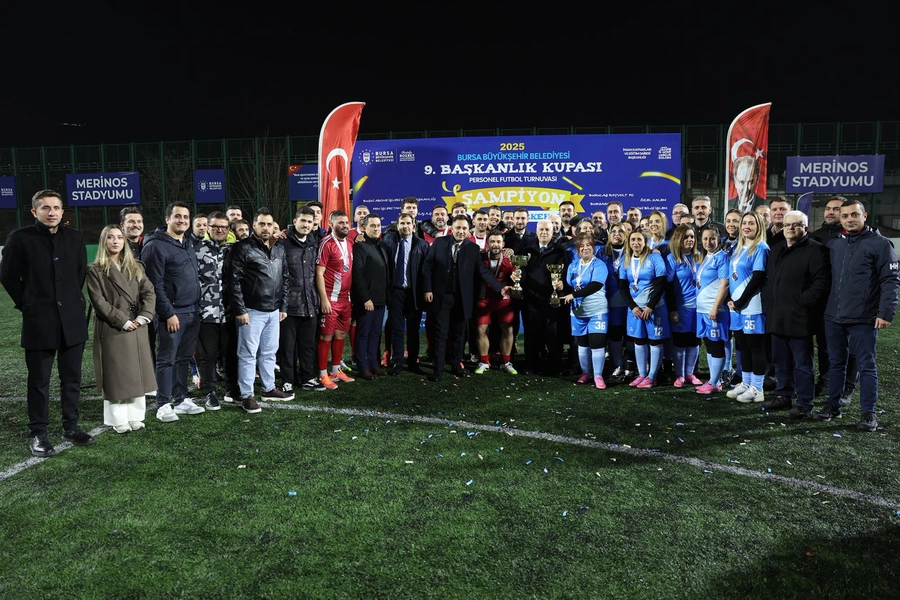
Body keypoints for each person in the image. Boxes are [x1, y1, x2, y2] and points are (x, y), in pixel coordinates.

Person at [1, 189, 94, 457]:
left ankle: (71, 426)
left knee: (72, 378)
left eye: (56, 207)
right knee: (39, 380)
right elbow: (7, 276)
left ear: (62, 212)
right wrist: (27, 303)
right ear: (34, 212)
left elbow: (79, 275)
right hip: (39, 322)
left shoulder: (75, 238)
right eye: (45, 208)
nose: (51, 212)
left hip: (72, 322)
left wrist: (72, 303)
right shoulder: (20, 238)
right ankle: (38, 432)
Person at [814, 200, 900, 431]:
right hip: (833, 315)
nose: (849, 219)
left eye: (854, 214)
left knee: (866, 365)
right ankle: (833, 405)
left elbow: (890, 281)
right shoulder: (834, 244)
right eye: (845, 216)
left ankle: (868, 413)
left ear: (864, 216)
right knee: (835, 364)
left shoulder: (880, 244)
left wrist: (885, 312)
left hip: (864, 317)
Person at [422, 215, 511, 381]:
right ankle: (438, 369)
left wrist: (500, 287)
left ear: (468, 230)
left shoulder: (473, 248)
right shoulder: (439, 243)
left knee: (459, 334)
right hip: (442, 297)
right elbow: (427, 266)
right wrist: (427, 289)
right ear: (452, 228)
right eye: (458, 228)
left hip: (463, 299)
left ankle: (456, 365)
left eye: (464, 228)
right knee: (441, 334)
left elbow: (483, 271)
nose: (461, 231)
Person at [86, 224, 156, 433]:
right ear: (103, 241)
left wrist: (144, 316)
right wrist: (123, 320)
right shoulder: (95, 270)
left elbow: (149, 292)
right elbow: (98, 301)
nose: (115, 241)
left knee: (136, 373)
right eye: (110, 237)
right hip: (114, 327)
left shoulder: (136, 266)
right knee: (116, 374)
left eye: (119, 237)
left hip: (138, 325)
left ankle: (136, 416)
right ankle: (118, 419)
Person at [762, 211, 831, 416]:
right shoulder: (776, 249)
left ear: (805, 228)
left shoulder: (816, 250)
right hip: (777, 315)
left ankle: (804, 403)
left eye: (796, 225)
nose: (791, 228)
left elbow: (821, 283)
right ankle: (783, 395)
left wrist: (802, 302)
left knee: (803, 364)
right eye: (787, 225)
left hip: (800, 317)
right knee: (780, 361)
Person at [142, 201, 205, 422]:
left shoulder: (186, 242)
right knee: (166, 359)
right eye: (178, 216)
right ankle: (163, 404)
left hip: (192, 311)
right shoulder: (155, 245)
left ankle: (181, 398)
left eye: (186, 217)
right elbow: (154, 285)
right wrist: (168, 313)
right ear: (167, 219)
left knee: (183, 358)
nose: (182, 220)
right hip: (173, 313)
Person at [230, 208, 292, 413]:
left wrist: (283, 306)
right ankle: (247, 395)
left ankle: (268, 388)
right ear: (254, 226)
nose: (266, 228)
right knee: (248, 354)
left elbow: (285, 279)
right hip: (251, 311)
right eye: (262, 224)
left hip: (273, 311)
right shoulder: (242, 247)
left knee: (269, 352)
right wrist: (240, 309)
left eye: (269, 224)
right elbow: (234, 281)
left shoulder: (279, 248)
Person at [810, 196, 857, 399]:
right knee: (824, 344)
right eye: (828, 208)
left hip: (851, 301)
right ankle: (826, 380)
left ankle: (848, 386)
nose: (830, 212)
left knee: (851, 346)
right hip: (825, 301)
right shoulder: (816, 236)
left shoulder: (857, 236)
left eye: (836, 209)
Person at [278, 207, 326, 392]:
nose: (306, 225)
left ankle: (307, 378)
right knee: (287, 347)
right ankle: (287, 380)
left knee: (307, 345)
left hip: (310, 303)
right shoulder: (282, 242)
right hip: (288, 305)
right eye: (303, 220)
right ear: (295, 221)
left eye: (309, 221)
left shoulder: (314, 242)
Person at [725, 212, 770, 404]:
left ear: (759, 226)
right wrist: (731, 299)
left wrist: (740, 301)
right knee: (743, 346)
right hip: (736, 306)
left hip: (751, 305)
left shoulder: (761, 247)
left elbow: (757, 278)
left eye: (751, 223)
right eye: (744, 223)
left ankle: (757, 388)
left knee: (755, 347)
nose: (747, 226)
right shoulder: (739, 247)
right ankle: (746, 383)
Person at [619, 230, 670, 388]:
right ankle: (642, 374)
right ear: (629, 243)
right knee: (639, 341)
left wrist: (650, 306)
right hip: (635, 310)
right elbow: (623, 287)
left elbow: (661, 282)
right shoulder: (625, 260)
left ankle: (652, 376)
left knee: (655, 341)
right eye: (633, 240)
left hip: (654, 308)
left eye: (639, 240)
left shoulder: (654, 257)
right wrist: (633, 307)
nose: (636, 243)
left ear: (645, 242)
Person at [560, 233, 609, 389]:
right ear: (577, 249)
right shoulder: (573, 265)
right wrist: (561, 287)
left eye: (588, 245)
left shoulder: (599, 265)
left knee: (597, 343)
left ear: (593, 248)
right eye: (582, 246)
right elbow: (570, 285)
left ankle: (598, 375)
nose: (585, 248)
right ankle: (586, 373)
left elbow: (596, 285)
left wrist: (573, 295)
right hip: (578, 311)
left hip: (597, 310)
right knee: (582, 344)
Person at [519, 219, 568, 376]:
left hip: (551, 300)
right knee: (531, 335)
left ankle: (555, 366)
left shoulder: (560, 251)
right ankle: (531, 365)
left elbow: (564, 271)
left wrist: (561, 283)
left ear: (553, 231)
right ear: (537, 231)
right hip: (531, 300)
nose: (544, 232)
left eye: (547, 230)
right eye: (541, 230)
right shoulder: (527, 249)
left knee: (553, 334)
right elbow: (522, 270)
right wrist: (518, 277)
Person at [194, 211, 232, 411]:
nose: (219, 230)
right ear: (207, 227)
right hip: (205, 313)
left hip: (229, 314)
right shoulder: (195, 250)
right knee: (208, 356)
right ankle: (210, 392)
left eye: (223, 227)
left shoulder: (233, 250)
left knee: (230, 354)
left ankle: (231, 390)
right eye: (215, 226)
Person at [382, 213, 428, 375]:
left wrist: (426, 290)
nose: (405, 226)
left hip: (414, 294)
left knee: (413, 331)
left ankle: (413, 362)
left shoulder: (422, 245)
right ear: (397, 225)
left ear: (414, 226)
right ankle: (398, 362)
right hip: (396, 293)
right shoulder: (388, 241)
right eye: (402, 223)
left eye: (408, 223)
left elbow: (426, 271)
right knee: (397, 329)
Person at [316, 210, 356, 389]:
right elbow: (319, 273)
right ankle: (322, 374)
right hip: (330, 298)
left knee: (341, 334)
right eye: (340, 222)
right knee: (326, 336)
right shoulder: (326, 243)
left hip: (345, 299)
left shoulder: (350, 243)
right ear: (331, 224)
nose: (345, 225)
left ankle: (335, 370)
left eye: (346, 222)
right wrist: (323, 299)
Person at [472, 231, 517, 375]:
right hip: (484, 299)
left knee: (508, 329)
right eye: (492, 242)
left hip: (503, 299)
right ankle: (484, 361)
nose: (495, 245)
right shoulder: (480, 257)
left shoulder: (510, 259)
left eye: (498, 242)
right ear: (488, 243)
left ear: (503, 244)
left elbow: (517, 276)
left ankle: (506, 362)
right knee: (481, 330)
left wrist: (515, 279)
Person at [351, 213, 390, 380]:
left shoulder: (382, 246)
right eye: (372, 225)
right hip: (366, 301)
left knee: (375, 333)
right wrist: (365, 298)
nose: (376, 228)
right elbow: (357, 275)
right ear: (364, 228)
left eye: (378, 225)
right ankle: (363, 366)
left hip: (381, 299)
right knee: (363, 333)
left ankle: (374, 363)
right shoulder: (360, 246)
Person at [694, 228, 731, 394]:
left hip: (714, 310)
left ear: (718, 240)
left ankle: (715, 381)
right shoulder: (705, 257)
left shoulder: (722, 257)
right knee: (709, 345)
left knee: (716, 345)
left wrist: (715, 307)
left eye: (712, 239)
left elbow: (725, 284)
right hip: (702, 310)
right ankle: (713, 380)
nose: (708, 242)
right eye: (705, 239)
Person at [665, 225, 703, 387]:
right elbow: (668, 286)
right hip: (682, 306)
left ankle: (690, 373)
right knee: (680, 340)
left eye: (692, 237)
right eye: (686, 237)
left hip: (699, 307)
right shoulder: (672, 259)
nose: (690, 240)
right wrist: (673, 309)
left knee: (695, 340)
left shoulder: (700, 256)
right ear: (678, 239)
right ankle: (679, 375)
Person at [601, 223, 630, 382]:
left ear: (626, 235)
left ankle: (631, 366)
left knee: (632, 334)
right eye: (613, 231)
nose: (617, 234)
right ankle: (617, 365)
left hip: (631, 299)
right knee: (615, 333)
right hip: (611, 300)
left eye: (621, 231)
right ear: (609, 234)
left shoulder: (633, 251)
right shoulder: (602, 252)